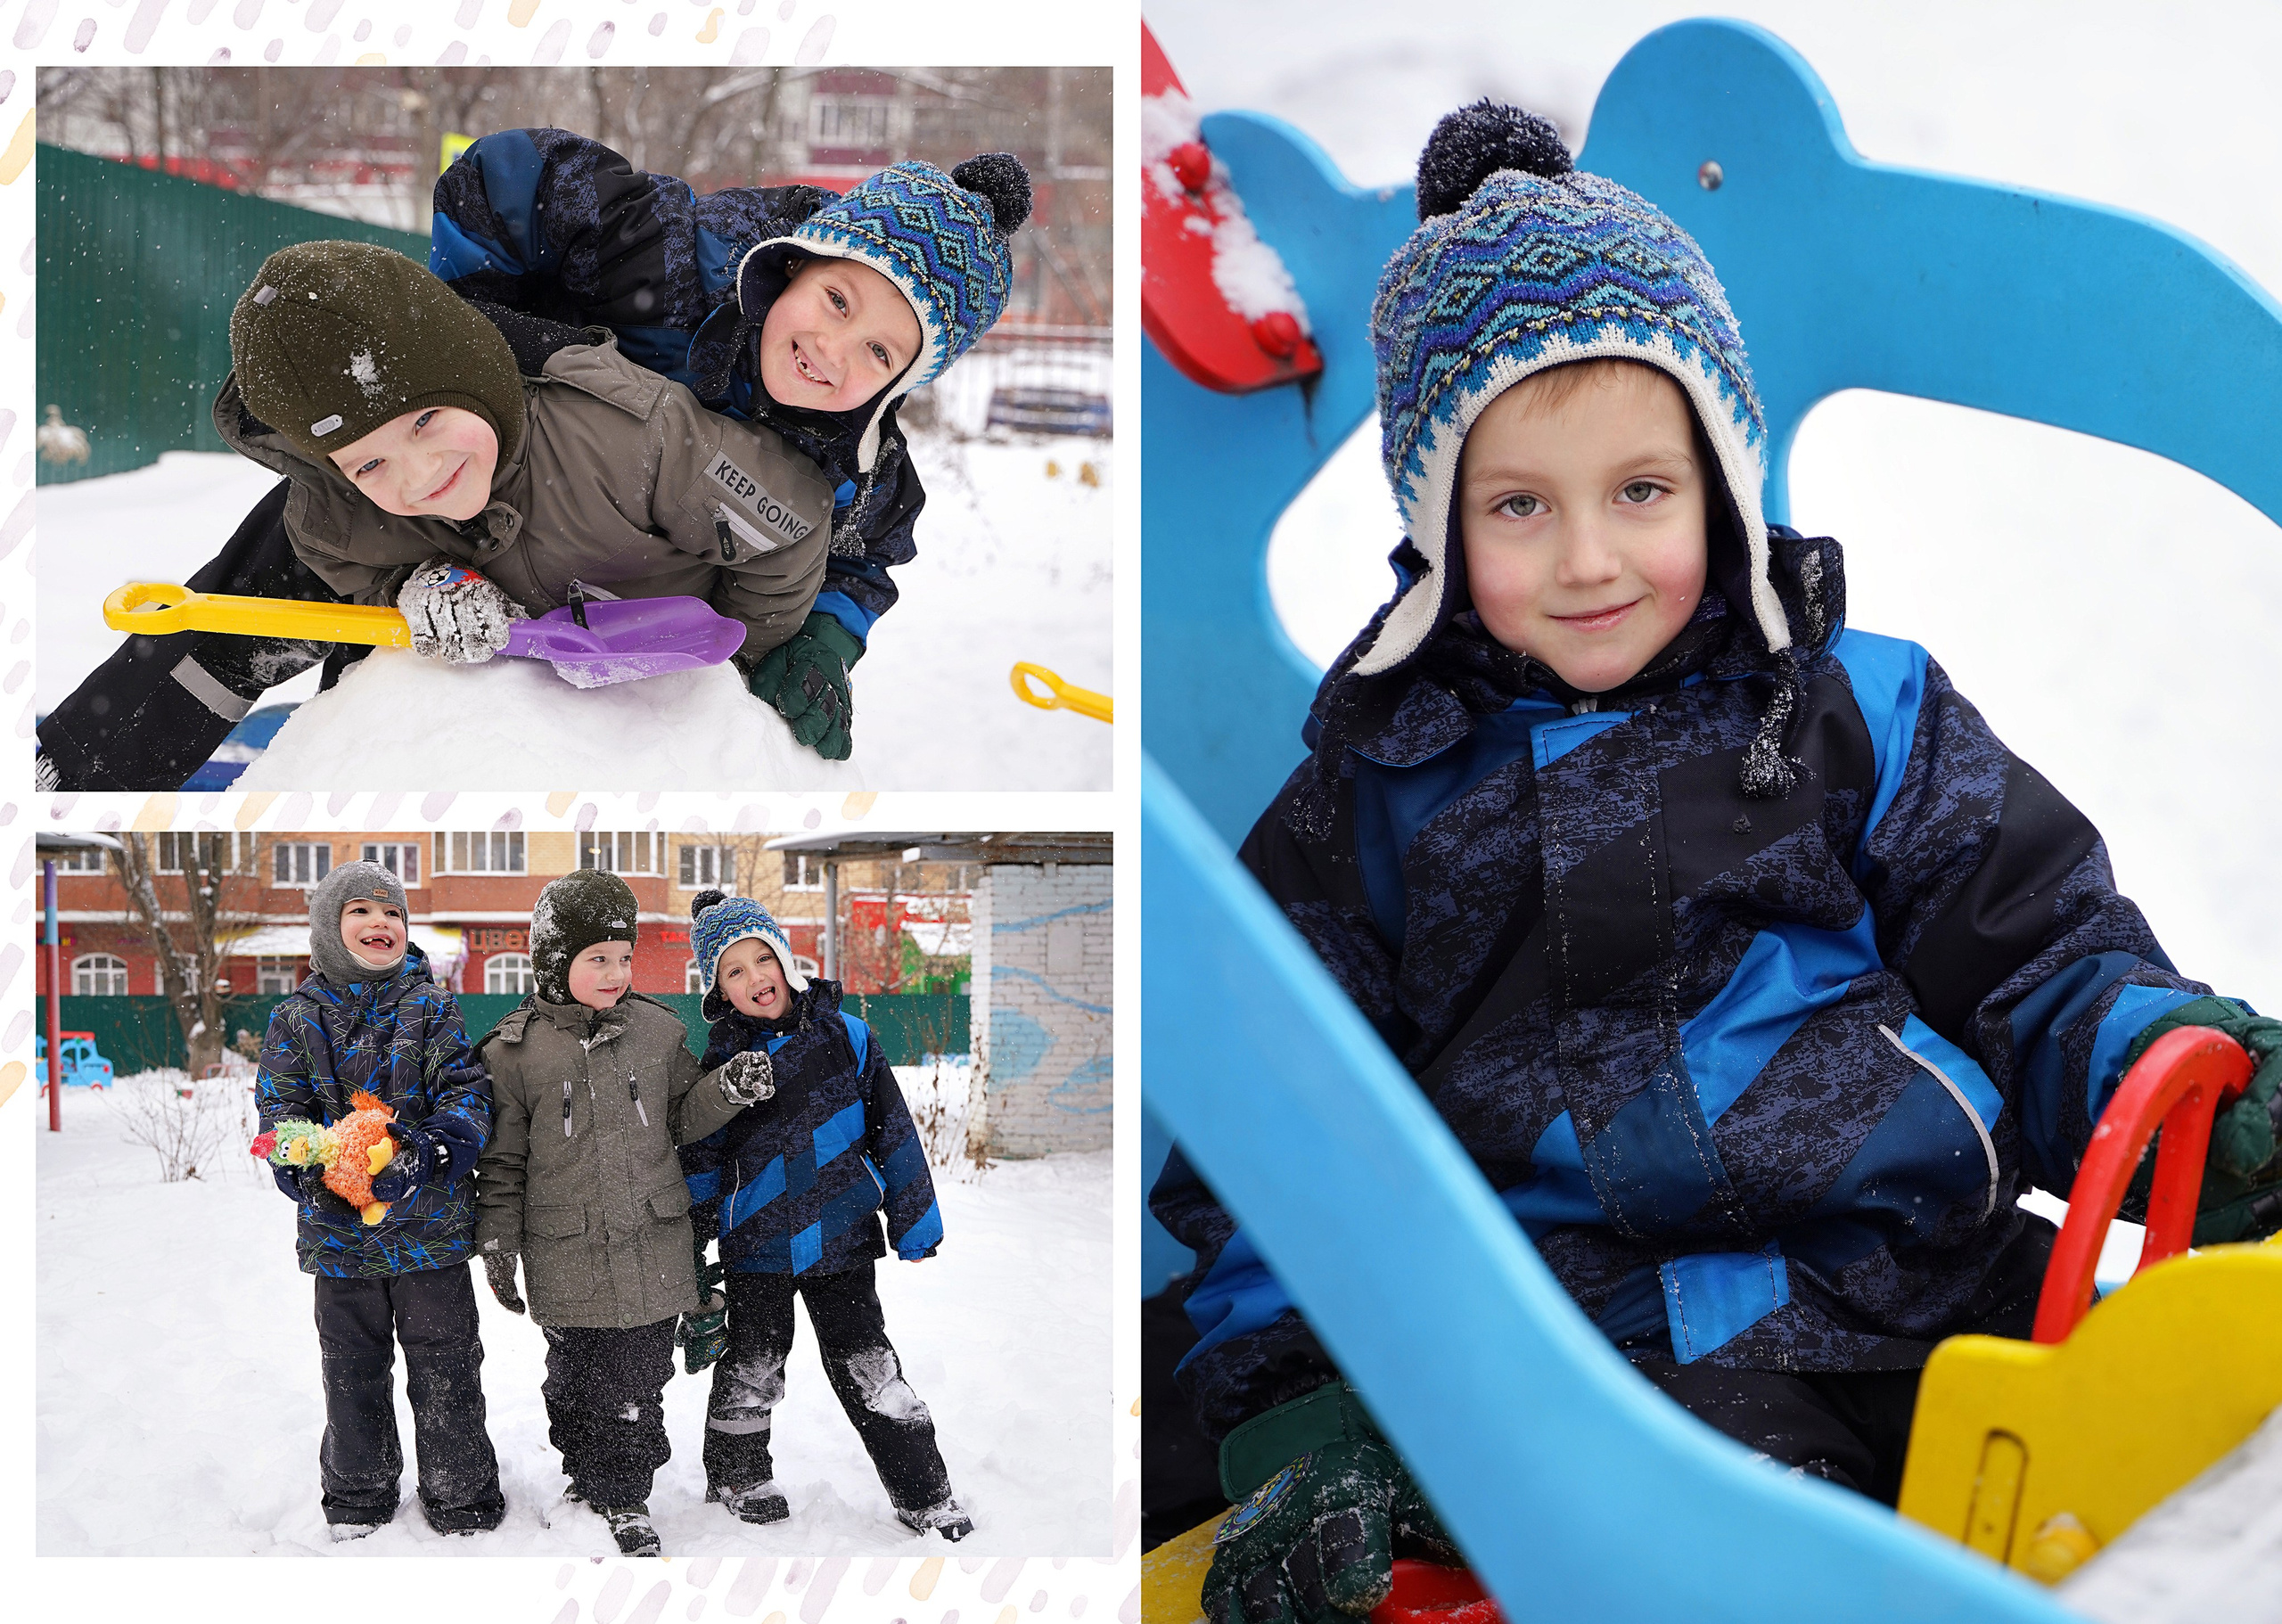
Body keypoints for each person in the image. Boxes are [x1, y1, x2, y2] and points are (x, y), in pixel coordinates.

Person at [1150, 103, 2282, 1623]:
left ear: (1719, 484)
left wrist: (2170, 1065)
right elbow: (1272, 1140)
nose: (1591, 559)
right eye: (1519, 508)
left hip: (1919, 1281)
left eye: (1640, 490)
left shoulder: (1849, 714)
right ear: (1437, 528)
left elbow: (2030, 946)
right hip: (1601, 1360)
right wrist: (1299, 1402)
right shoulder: (1373, 800)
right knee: (1750, 1554)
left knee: (2205, 1462)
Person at [37, 135, 1031, 786]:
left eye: (881, 356)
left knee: (430, 689)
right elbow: (500, 179)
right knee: (298, 561)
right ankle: (82, 771)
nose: (833, 353)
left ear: (906, 382)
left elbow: (862, 560)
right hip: (482, 445)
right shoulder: (670, 253)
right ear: (799, 260)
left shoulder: (861, 462)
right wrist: (484, 340)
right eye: (840, 302)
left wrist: (823, 642)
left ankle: (368, 731)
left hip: (620, 560)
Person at [471, 869, 773, 1559]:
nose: (615, 972)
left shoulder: (657, 1033)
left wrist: (727, 1088)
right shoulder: (514, 1054)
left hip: (650, 1242)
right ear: (555, 962)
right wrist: (497, 1242)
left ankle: (627, 1491)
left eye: (624, 956)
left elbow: (685, 1118)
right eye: (596, 959)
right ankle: (589, 1475)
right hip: (564, 1249)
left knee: (640, 1379)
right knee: (576, 1378)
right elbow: (504, 1163)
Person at [677, 890, 971, 1540]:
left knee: (873, 1368)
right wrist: (691, 1242)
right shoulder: (721, 1066)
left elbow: (893, 1132)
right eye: (734, 970)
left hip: (842, 1239)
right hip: (758, 1247)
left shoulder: (850, 1038)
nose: (755, 978)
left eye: (762, 960)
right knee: (752, 1366)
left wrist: (914, 1218)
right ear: (719, 991)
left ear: (785, 959)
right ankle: (736, 1475)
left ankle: (924, 1494)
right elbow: (699, 1157)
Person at [254, 858, 505, 1541]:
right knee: (352, 1371)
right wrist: (315, 1173)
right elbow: (281, 1116)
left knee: (448, 1366)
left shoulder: (432, 1008)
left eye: (393, 912)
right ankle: (360, 1493)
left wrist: (425, 1154)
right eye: (361, 912)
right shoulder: (295, 1019)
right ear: (330, 931)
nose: (381, 923)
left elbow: (467, 1096)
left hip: (430, 1233)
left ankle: (462, 1495)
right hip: (340, 1239)